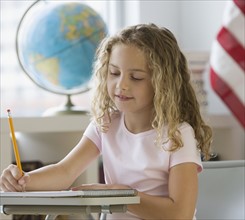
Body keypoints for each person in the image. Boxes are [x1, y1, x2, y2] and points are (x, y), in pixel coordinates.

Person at [0, 23, 212, 220]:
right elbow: (64, 172)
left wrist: (119, 195)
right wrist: (23, 180)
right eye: (114, 73)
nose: (121, 85)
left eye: (136, 77)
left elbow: (180, 213)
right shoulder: (106, 125)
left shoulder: (178, 133)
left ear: (162, 83)